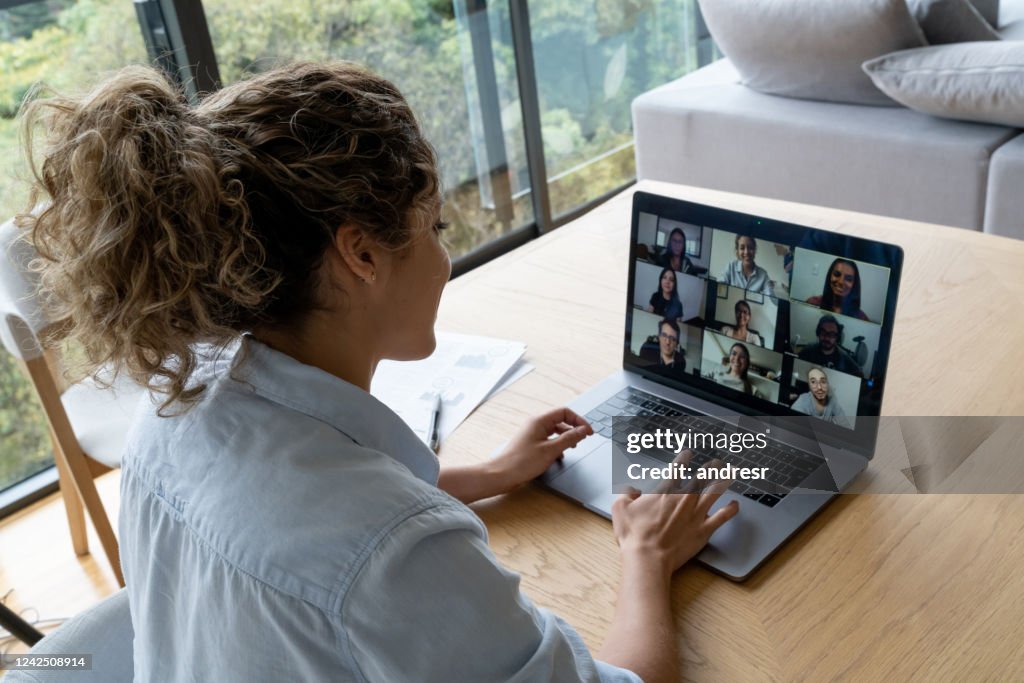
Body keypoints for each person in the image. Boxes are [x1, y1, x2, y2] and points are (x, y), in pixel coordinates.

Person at [19, 63, 739, 683]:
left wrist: (485, 474)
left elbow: (309, 518)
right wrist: (645, 556)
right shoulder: (398, 551)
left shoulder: (177, 403)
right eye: (435, 228)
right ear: (361, 254)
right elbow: (361, 546)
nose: (445, 259)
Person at [806, 257, 871, 321]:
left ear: (854, 284)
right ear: (829, 276)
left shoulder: (861, 317)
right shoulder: (813, 303)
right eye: (837, 274)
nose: (841, 282)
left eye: (848, 279)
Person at [798, 314, 863, 377]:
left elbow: (860, 374)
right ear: (818, 333)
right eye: (823, 332)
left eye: (832, 334)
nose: (827, 338)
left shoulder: (844, 357)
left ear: (837, 338)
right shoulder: (809, 349)